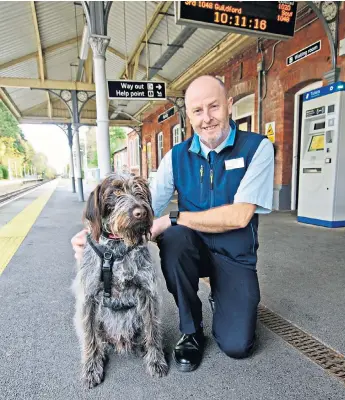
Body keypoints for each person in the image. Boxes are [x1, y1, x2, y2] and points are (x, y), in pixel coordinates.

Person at [72, 75, 274, 373]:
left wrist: (175, 217)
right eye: (197, 111)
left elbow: (240, 216)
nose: (207, 118)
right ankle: (191, 330)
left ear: (229, 105)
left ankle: (224, 298)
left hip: (234, 255)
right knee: (175, 239)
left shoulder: (257, 148)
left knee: (237, 346)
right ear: (189, 116)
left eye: (214, 107)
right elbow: (142, 209)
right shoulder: (176, 156)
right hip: (191, 250)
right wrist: (93, 234)